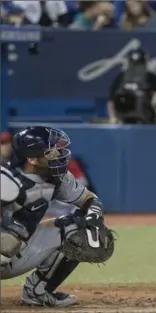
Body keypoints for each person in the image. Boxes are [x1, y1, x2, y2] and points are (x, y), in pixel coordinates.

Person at [0, 126, 114, 307]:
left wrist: (94, 219)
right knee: (8, 239)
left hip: (20, 251)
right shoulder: (6, 180)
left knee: (77, 230)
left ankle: (37, 292)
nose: (60, 155)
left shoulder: (56, 177)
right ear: (31, 158)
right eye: (52, 153)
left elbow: (89, 199)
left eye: (59, 150)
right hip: (3, 246)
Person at [107, 48, 156, 124]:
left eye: (139, 65)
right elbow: (111, 101)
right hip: (124, 120)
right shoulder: (121, 77)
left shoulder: (152, 78)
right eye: (134, 65)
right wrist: (113, 117)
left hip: (146, 120)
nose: (137, 68)